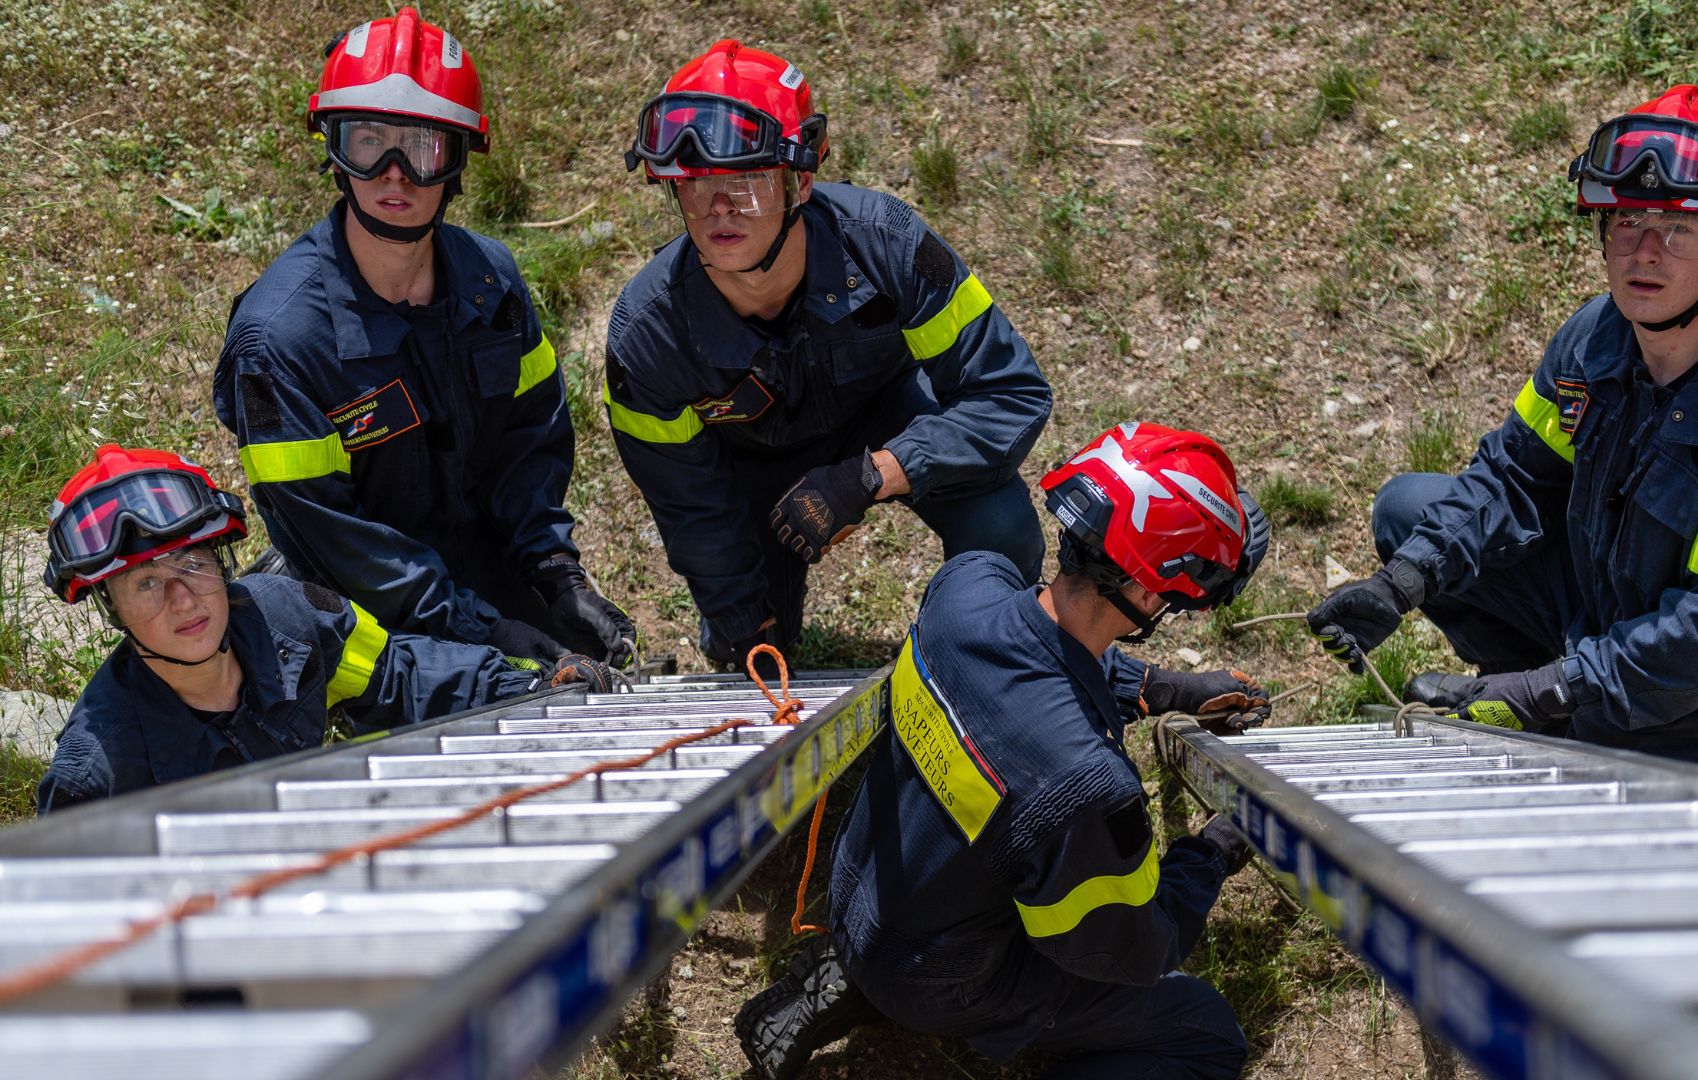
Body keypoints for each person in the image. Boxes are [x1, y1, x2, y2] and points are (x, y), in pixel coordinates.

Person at [1308, 85, 1698, 772]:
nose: (1644, 252)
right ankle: (1535, 701)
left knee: (1580, 789)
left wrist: (1548, 690)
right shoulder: (1596, 338)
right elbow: (1515, 479)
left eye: (1678, 228)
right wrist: (1403, 582)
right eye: (1627, 222)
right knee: (1409, 511)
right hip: (1600, 617)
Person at [735, 423, 1273, 1080]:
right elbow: (1131, 948)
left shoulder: (966, 587)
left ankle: (853, 980)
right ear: (1152, 592)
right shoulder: (1087, 787)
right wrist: (1212, 851)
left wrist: (1169, 690)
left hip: (859, 894)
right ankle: (905, 995)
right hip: (942, 977)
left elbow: (1041, 657)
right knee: (1204, 1035)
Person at [604, 39, 1052, 674]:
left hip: (885, 414)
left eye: (749, 181)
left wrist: (874, 474)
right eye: (697, 184)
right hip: (750, 461)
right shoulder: (647, 332)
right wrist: (739, 614)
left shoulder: (889, 246)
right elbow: (690, 504)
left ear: (802, 181)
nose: (719, 210)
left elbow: (1010, 395)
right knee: (747, 643)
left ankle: (996, 666)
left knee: (1001, 524)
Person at [212, 7, 632, 669]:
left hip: (475, 569)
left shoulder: (491, 283)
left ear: (461, 159)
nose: (395, 172)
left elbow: (530, 449)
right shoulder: (281, 341)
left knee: (580, 677)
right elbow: (341, 542)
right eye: (368, 141)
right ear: (332, 146)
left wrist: (556, 575)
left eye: (423, 146)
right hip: (362, 598)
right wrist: (486, 634)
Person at [36, 446, 610, 814]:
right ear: (110, 609)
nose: (183, 599)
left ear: (222, 563)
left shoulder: (289, 617)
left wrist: (533, 690)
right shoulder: (98, 770)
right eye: (145, 583)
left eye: (193, 563)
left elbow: (403, 676)